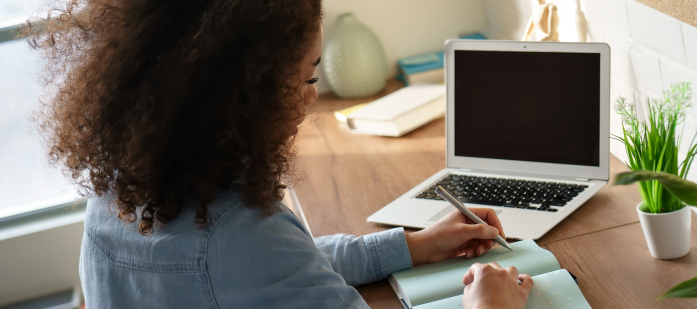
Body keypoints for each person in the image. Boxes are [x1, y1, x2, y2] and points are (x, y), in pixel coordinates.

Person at [28, 0, 533, 308]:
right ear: (243, 92)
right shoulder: (238, 235)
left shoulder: (119, 188)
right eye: (306, 77)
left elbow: (283, 270)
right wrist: (490, 304)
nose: (312, 96)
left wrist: (413, 245)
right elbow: (259, 261)